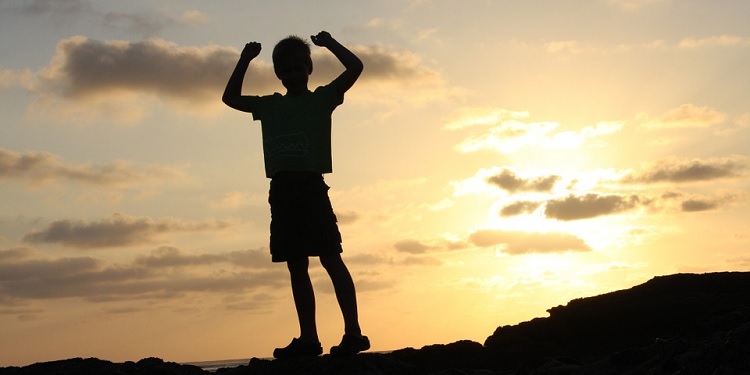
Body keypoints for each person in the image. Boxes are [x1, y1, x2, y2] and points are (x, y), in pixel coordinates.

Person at [222, 31, 368, 359]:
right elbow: (230, 98)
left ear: (309, 68)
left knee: (330, 258)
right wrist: (244, 60)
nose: (291, 75)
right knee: (296, 265)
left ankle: (354, 333)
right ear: (277, 74)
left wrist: (329, 44)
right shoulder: (270, 105)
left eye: (297, 68)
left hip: (311, 188)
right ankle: (309, 339)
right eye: (285, 70)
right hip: (282, 191)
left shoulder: (321, 99)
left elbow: (356, 67)